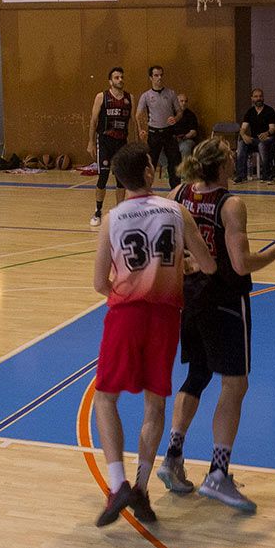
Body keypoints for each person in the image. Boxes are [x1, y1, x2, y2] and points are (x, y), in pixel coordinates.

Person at [157, 138, 275, 512]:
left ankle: (172, 456)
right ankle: (218, 475)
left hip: (189, 296)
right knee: (235, 383)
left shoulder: (178, 193)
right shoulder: (231, 204)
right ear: (220, 165)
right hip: (224, 300)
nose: (235, 155)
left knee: (197, 375)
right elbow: (241, 264)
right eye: (229, 152)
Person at [91, 145, 215, 527]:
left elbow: (99, 284)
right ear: (148, 172)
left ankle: (118, 485)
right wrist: (181, 265)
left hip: (126, 316)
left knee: (105, 399)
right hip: (165, 316)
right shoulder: (176, 211)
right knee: (154, 405)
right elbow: (208, 265)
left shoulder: (112, 218)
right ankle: (142, 487)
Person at [87, 67, 131, 227]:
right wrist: (91, 142)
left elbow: (133, 122)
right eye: (116, 77)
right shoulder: (102, 97)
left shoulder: (129, 98)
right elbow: (93, 121)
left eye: (121, 77)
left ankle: (120, 212)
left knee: (121, 179)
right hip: (105, 141)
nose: (120, 80)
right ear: (110, 81)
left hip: (121, 143)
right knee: (103, 177)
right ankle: (98, 211)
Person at [135, 65, 183, 190]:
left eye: (161, 75)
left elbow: (179, 112)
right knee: (150, 163)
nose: (159, 78)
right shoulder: (146, 96)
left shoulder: (171, 93)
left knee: (175, 162)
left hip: (169, 132)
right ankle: (146, 189)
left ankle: (176, 191)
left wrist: (175, 119)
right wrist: (141, 129)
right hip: (154, 133)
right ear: (151, 77)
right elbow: (138, 114)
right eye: (156, 75)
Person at [235, 88, 275, 184]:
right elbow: (243, 128)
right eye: (256, 96)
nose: (259, 98)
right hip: (254, 139)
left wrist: (266, 133)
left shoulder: (269, 110)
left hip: (267, 138)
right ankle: (240, 175)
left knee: (262, 144)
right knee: (241, 144)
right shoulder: (250, 112)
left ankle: (267, 175)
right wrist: (244, 136)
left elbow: (272, 128)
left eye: (260, 96)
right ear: (252, 99)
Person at [172, 93, 202, 165]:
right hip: (172, 140)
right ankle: (169, 168)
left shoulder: (190, 115)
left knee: (185, 147)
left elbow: (193, 132)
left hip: (186, 139)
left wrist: (183, 137)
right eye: (181, 101)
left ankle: (184, 169)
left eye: (185, 101)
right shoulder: (170, 113)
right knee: (159, 147)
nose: (184, 103)